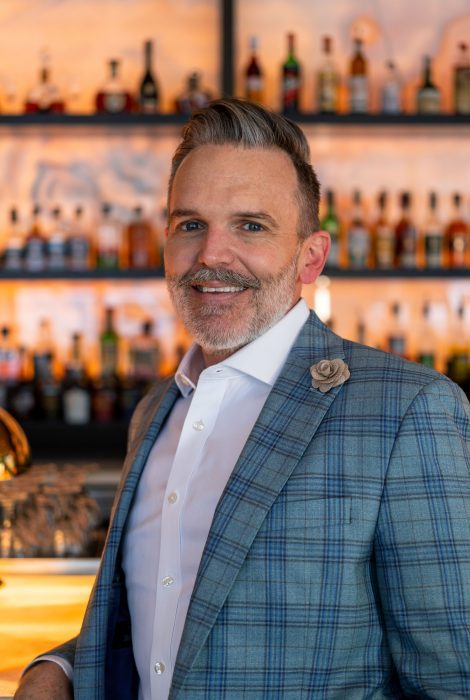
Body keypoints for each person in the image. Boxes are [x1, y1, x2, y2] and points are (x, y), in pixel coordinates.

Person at [16, 98, 470, 699]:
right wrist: (59, 669)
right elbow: (165, 623)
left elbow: (452, 680)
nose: (211, 254)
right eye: (190, 224)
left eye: (250, 226)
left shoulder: (408, 411)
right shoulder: (157, 409)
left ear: (311, 257)